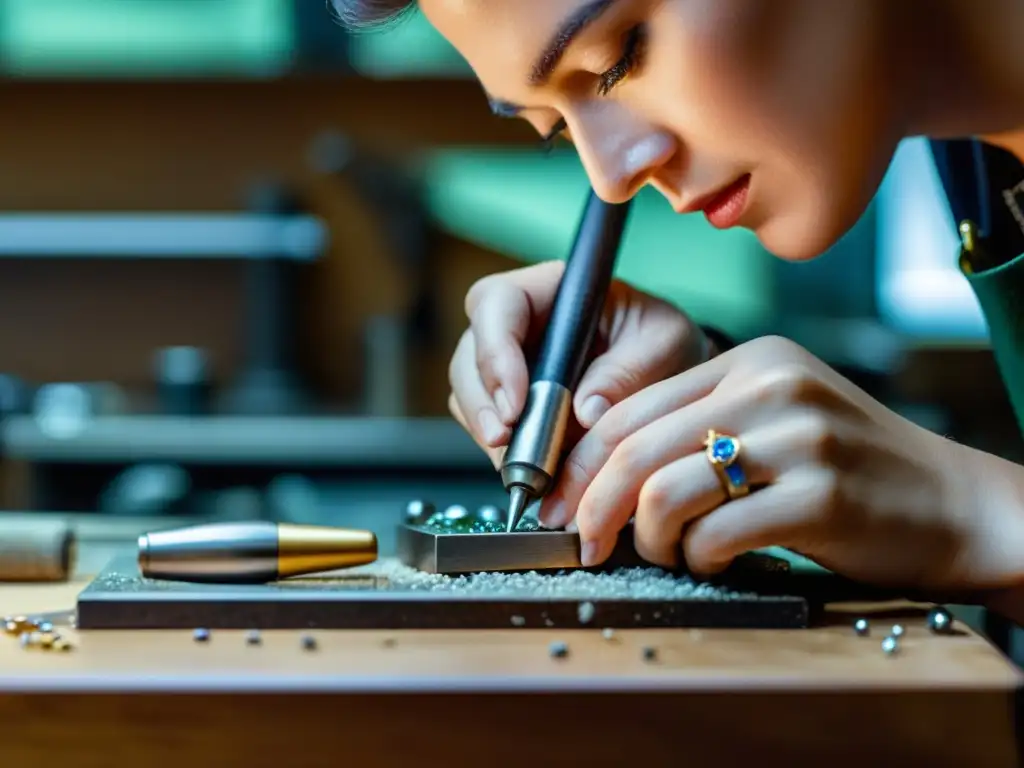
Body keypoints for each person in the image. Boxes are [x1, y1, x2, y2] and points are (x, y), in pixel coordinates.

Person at [333, 0, 1024, 620]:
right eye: (555, 129)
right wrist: (703, 402)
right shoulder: (982, 165)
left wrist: (971, 512)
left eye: (619, 58)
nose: (611, 176)